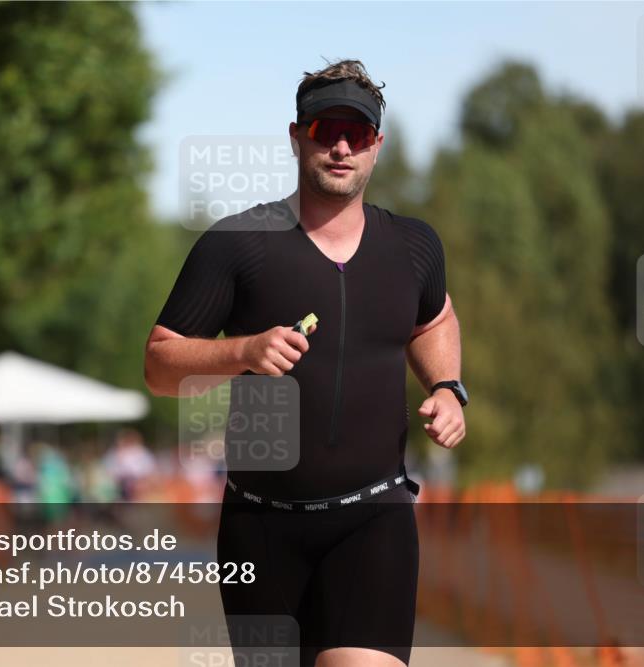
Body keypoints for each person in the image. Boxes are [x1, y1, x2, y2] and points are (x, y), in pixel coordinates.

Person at [144, 59, 467, 667]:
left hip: (373, 518)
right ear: (296, 136)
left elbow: (435, 320)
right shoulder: (238, 243)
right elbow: (160, 366)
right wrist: (243, 350)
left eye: (357, 133)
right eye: (326, 130)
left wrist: (447, 386)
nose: (342, 147)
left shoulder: (413, 246)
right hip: (261, 531)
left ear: (376, 144)